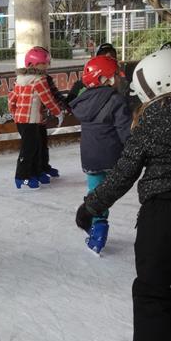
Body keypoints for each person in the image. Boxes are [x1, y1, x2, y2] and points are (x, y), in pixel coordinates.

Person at [75, 48, 171, 341]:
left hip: (162, 217)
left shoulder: (150, 119)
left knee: (152, 293)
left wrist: (90, 207)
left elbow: (124, 172)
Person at [69, 54, 131, 254]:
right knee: (107, 192)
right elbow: (125, 130)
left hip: (90, 158)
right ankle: (99, 230)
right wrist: (134, 148)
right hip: (112, 157)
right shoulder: (116, 100)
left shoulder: (84, 101)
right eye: (115, 76)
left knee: (96, 193)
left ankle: (96, 229)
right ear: (105, 79)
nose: (118, 79)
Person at [8, 46, 67, 189]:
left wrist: (14, 113)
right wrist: (58, 112)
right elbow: (48, 99)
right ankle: (21, 177)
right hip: (30, 121)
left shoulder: (21, 79)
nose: (46, 66)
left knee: (36, 146)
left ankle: (35, 172)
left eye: (47, 63)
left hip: (27, 120)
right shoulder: (39, 80)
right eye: (43, 63)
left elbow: (12, 99)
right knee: (29, 149)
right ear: (32, 64)